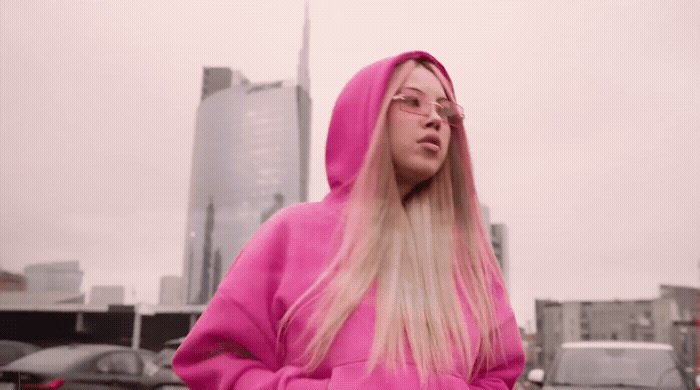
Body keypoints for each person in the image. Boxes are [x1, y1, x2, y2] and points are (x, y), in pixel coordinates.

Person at [172, 51, 525, 389]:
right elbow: (213, 360)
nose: (435, 119)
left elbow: (497, 374)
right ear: (366, 115)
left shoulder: (470, 260)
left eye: (445, 110)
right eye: (412, 102)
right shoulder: (291, 234)